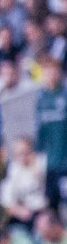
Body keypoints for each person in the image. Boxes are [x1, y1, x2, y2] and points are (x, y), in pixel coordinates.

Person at [33, 57, 67, 211]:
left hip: (65, 160)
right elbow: (39, 133)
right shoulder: (39, 98)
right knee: (50, 206)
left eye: (54, 70)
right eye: (47, 71)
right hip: (49, 163)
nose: (51, 75)